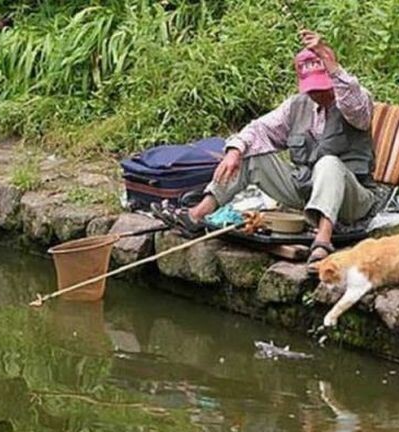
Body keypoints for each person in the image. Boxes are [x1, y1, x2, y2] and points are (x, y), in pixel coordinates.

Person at [156, 30, 379, 270]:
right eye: (312, 89)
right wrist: (235, 151)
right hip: (306, 191)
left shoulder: (354, 101)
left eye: (322, 87)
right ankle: (196, 215)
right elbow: (259, 129)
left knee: (328, 164)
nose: (318, 94)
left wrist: (331, 64)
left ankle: (322, 240)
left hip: (353, 199)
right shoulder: (296, 106)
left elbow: (355, 106)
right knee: (249, 155)